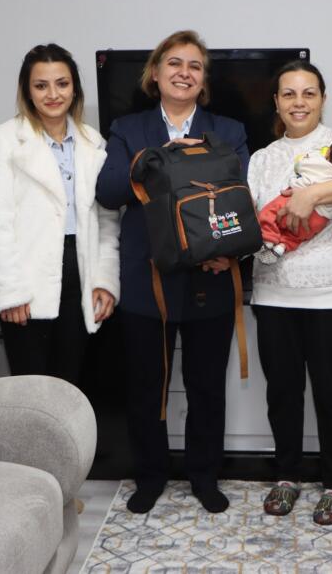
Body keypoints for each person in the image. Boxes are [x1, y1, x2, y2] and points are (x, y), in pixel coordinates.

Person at [95, 30, 248, 515]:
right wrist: (160, 159)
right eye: (175, 63)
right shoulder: (128, 128)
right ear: (156, 73)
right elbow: (108, 191)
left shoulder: (229, 130)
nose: (184, 73)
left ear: (204, 79)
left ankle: (205, 476)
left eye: (195, 66)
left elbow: (243, 201)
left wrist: (230, 253)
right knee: (147, 388)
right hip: (147, 281)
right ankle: (150, 476)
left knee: (207, 388)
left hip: (211, 276)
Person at [248, 60, 332, 525]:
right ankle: (286, 476)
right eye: (289, 94)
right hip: (272, 294)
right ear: (276, 102)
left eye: (309, 93)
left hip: (330, 294)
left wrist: (314, 193)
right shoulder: (262, 157)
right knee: (282, 393)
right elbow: (251, 215)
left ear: (323, 98)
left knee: (330, 395)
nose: (299, 102)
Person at [0, 43, 119, 384]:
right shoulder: (5, 139)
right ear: (27, 91)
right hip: (27, 281)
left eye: (62, 84)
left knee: (69, 387)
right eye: (41, 85)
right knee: (32, 392)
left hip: (80, 277)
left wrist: (104, 281)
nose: (53, 94)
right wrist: (10, 293)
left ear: (75, 89)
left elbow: (106, 221)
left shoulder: (93, 142)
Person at [255, 133, 332, 264]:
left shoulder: (316, 160)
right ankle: (282, 247)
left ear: (328, 152)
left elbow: (299, 165)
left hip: (291, 202)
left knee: (269, 212)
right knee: (296, 237)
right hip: (318, 220)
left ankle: (268, 240)